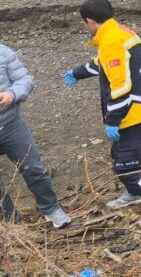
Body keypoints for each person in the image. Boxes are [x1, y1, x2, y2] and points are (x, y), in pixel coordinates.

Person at [64, 0, 141, 230]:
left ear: (89, 21)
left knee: (127, 167)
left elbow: (120, 86)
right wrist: (78, 72)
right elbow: (105, 63)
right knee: (118, 154)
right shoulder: (121, 32)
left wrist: (113, 120)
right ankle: (134, 192)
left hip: (134, 112)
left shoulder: (110, 40)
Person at [0, 44, 71, 228]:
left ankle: (51, 208)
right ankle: (9, 222)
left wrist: (12, 94)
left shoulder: (3, 52)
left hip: (11, 124)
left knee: (33, 168)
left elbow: (25, 79)